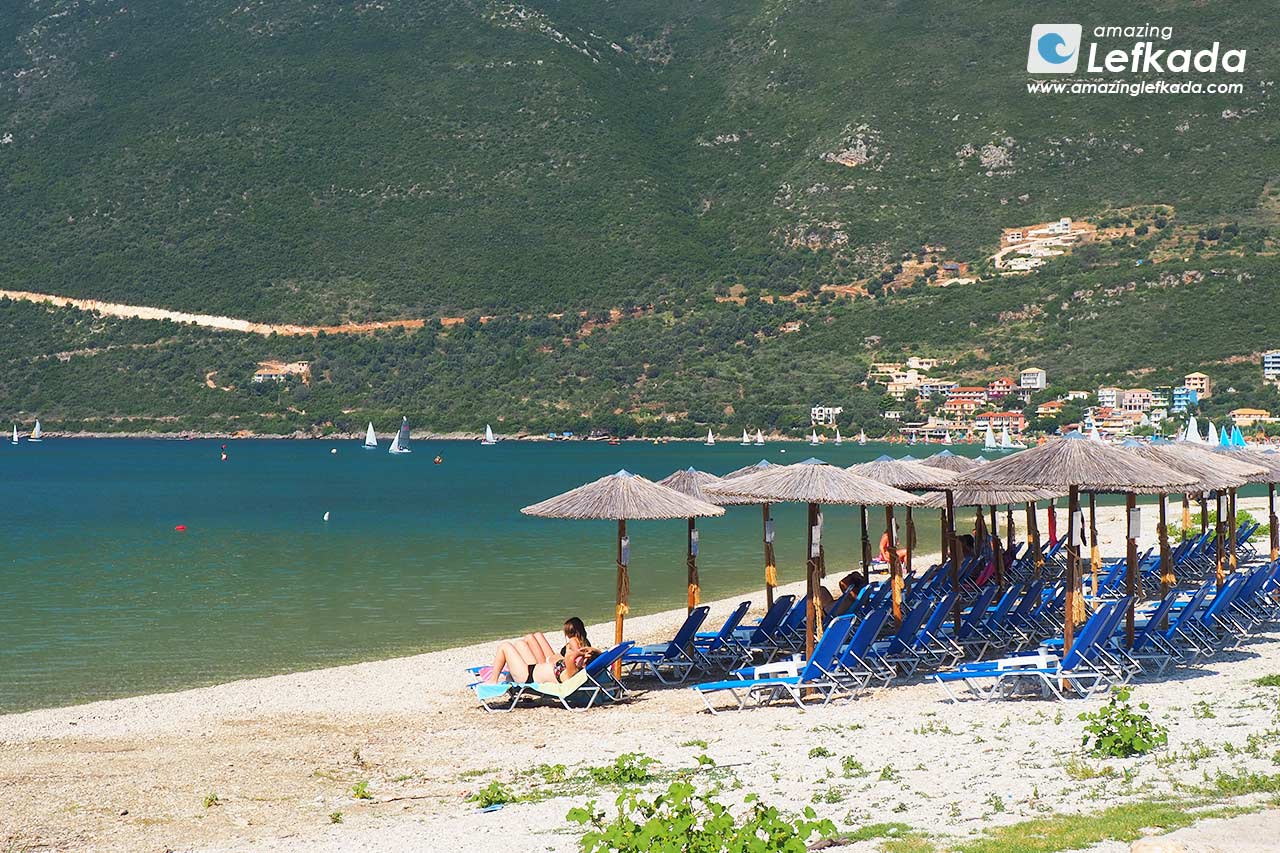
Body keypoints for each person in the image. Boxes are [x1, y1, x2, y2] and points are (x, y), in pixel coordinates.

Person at [482, 618, 599, 685]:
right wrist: (593, 650)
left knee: (505, 646)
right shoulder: (575, 668)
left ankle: (493, 680)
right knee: (520, 644)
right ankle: (508, 672)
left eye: (583, 660)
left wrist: (581, 653)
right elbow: (597, 656)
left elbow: (570, 657)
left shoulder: (572, 672)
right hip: (533, 668)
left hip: (527, 676)